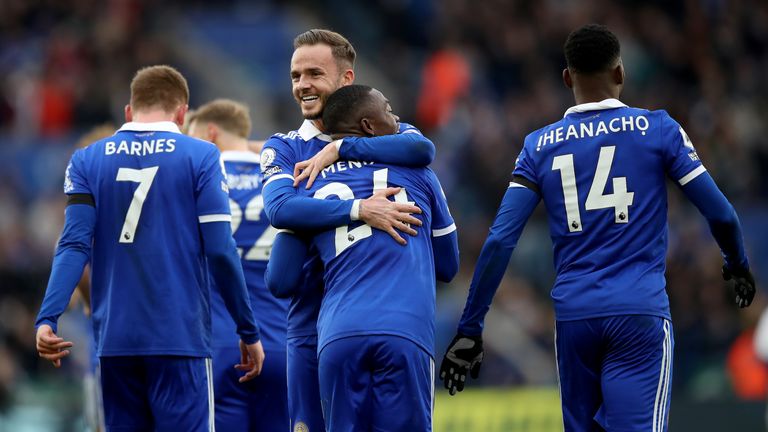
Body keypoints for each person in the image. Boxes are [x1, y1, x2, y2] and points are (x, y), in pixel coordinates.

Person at [439, 24, 756, 432]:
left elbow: (500, 240)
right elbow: (722, 214)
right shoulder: (658, 129)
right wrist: (737, 262)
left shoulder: (539, 145)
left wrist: (470, 327)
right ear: (621, 74)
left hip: (575, 319)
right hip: (638, 314)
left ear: (567, 78)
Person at [35, 65, 265, 431]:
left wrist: (48, 317)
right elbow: (221, 250)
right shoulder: (202, 156)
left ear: (129, 110)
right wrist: (247, 329)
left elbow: (73, 244)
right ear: (181, 112)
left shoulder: (86, 159)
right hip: (180, 337)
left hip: (115, 340)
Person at [260, 29, 436, 431]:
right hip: (310, 329)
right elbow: (280, 208)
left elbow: (424, 150)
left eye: (314, 74)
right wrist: (359, 210)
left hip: (371, 322)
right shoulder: (284, 147)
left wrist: (340, 148)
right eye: (295, 75)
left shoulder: (390, 130)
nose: (303, 84)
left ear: (346, 79)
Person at [186, 99, 290, 431]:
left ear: (211, 133)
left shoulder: (197, 183)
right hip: (285, 345)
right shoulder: (285, 179)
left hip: (220, 346)